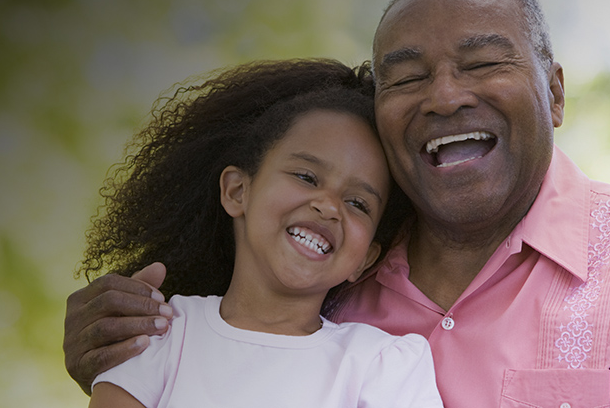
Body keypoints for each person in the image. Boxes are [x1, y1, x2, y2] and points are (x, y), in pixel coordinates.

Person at [64, 0, 610, 407]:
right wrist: (118, 352)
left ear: (554, 94)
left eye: (484, 60)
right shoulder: (323, 273)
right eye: (405, 78)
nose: (444, 95)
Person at [79, 58, 443, 407]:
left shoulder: (383, 365)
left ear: (365, 259)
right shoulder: (159, 335)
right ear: (238, 191)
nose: (329, 206)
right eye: (306, 177)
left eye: (358, 203)